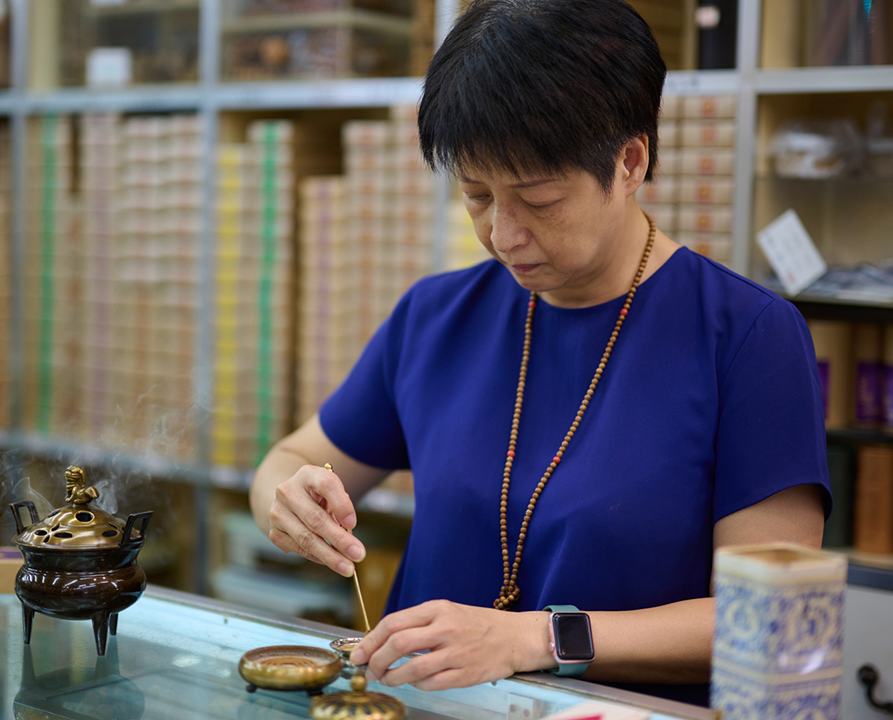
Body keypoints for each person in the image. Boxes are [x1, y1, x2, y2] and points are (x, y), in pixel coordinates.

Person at [250, 0, 830, 707]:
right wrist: (285, 500)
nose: (503, 234)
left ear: (630, 161)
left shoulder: (747, 337)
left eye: (538, 198)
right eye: (476, 196)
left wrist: (535, 639)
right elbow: (289, 463)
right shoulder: (436, 316)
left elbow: (767, 623)